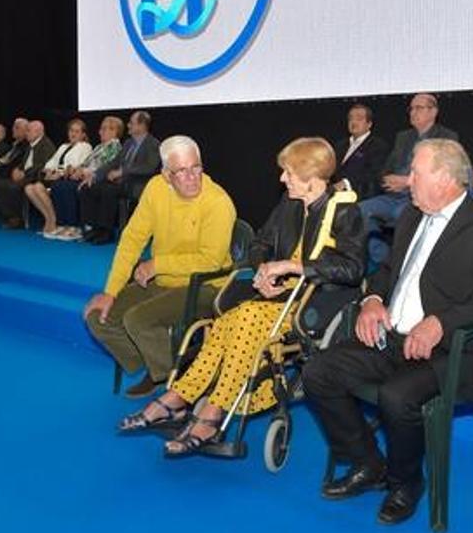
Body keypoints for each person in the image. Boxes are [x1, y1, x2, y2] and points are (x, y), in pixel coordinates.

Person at [303, 139, 473, 525]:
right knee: (318, 371)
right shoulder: (410, 217)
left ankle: (407, 483)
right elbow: (387, 273)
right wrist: (372, 301)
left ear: (446, 178)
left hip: (452, 352)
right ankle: (369, 464)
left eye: (416, 172)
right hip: (394, 339)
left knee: (396, 396)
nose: (408, 180)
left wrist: (441, 322)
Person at [118, 137, 365, 456]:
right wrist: (264, 270)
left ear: (310, 176)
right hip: (278, 298)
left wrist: (293, 266)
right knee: (224, 324)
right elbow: (259, 244)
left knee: (245, 318)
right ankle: (178, 398)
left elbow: (353, 268)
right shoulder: (289, 204)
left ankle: (211, 413)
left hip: (317, 303)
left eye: (288, 172)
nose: (282, 179)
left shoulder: (345, 211)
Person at [83, 135, 236, 397]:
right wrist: (110, 291)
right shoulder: (155, 188)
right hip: (162, 280)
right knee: (98, 318)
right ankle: (158, 368)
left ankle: (176, 383)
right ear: (166, 174)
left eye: (196, 168)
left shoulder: (218, 202)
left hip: (207, 285)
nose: (191, 177)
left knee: (138, 320)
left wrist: (158, 265)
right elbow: (131, 240)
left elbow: (210, 261)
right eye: (181, 171)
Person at [359, 93, 459, 267]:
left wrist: (408, 181)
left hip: (421, 198)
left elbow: (445, 173)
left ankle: (410, 263)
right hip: (394, 195)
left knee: (403, 216)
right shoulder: (403, 137)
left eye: (418, 108)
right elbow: (386, 169)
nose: (412, 112)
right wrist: (388, 180)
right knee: (358, 211)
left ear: (433, 112)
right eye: (411, 108)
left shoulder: (447, 137)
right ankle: (385, 260)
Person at [79, 111, 161, 244]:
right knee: (90, 187)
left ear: (141, 126)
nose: (128, 125)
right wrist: (95, 175)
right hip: (121, 183)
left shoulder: (153, 144)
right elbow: (114, 163)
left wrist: (123, 172)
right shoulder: (129, 143)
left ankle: (106, 232)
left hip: (138, 184)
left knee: (108, 191)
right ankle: (93, 228)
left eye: (131, 123)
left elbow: (149, 168)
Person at [40, 116, 124, 241]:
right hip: (86, 176)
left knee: (67, 186)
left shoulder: (114, 147)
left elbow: (103, 167)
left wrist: (82, 171)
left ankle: (75, 225)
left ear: (114, 132)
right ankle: (70, 224)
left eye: (104, 129)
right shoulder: (99, 147)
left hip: (98, 178)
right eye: (101, 129)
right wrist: (78, 169)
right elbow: (86, 163)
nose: (100, 132)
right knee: (61, 185)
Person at [24, 118, 93, 236]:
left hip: (69, 178)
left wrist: (58, 173)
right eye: (71, 130)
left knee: (38, 187)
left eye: (77, 131)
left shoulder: (85, 146)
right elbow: (52, 162)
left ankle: (55, 222)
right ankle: (50, 219)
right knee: (29, 188)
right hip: (56, 177)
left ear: (83, 134)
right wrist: (49, 171)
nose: (73, 134)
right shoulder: (63, 146)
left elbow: (77, 165)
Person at [0, 120, 55, 229]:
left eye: (29, 131)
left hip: (37, 177)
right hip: (27, 176)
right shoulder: (30, 145)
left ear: (39, 131)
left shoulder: (46, 145)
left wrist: (23, 173)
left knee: (12, 187)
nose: (26, 133)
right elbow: (25, 163)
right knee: (0, 184)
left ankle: (18, 219)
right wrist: (17, 170)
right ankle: (10, 216)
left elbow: (42, 166)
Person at [333, 103, 390, 200]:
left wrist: (346, 183)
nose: (353, 122)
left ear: (369, 124)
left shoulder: (377, 145)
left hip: (359, 194)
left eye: (359, 119)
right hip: (334, 192)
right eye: (350, 119)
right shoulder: (340, 145)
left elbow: (373, 175)